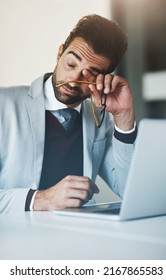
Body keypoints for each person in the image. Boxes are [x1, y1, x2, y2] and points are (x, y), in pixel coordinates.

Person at [0, 14, 137, 213]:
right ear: (60, 53)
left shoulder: (101, 121)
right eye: (71, 65)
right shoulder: (4, 105)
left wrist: (124, 117)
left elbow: (128, 189)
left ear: (104, 78)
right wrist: (39, 199)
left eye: (89, 74)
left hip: (77, 238)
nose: (73, 81)